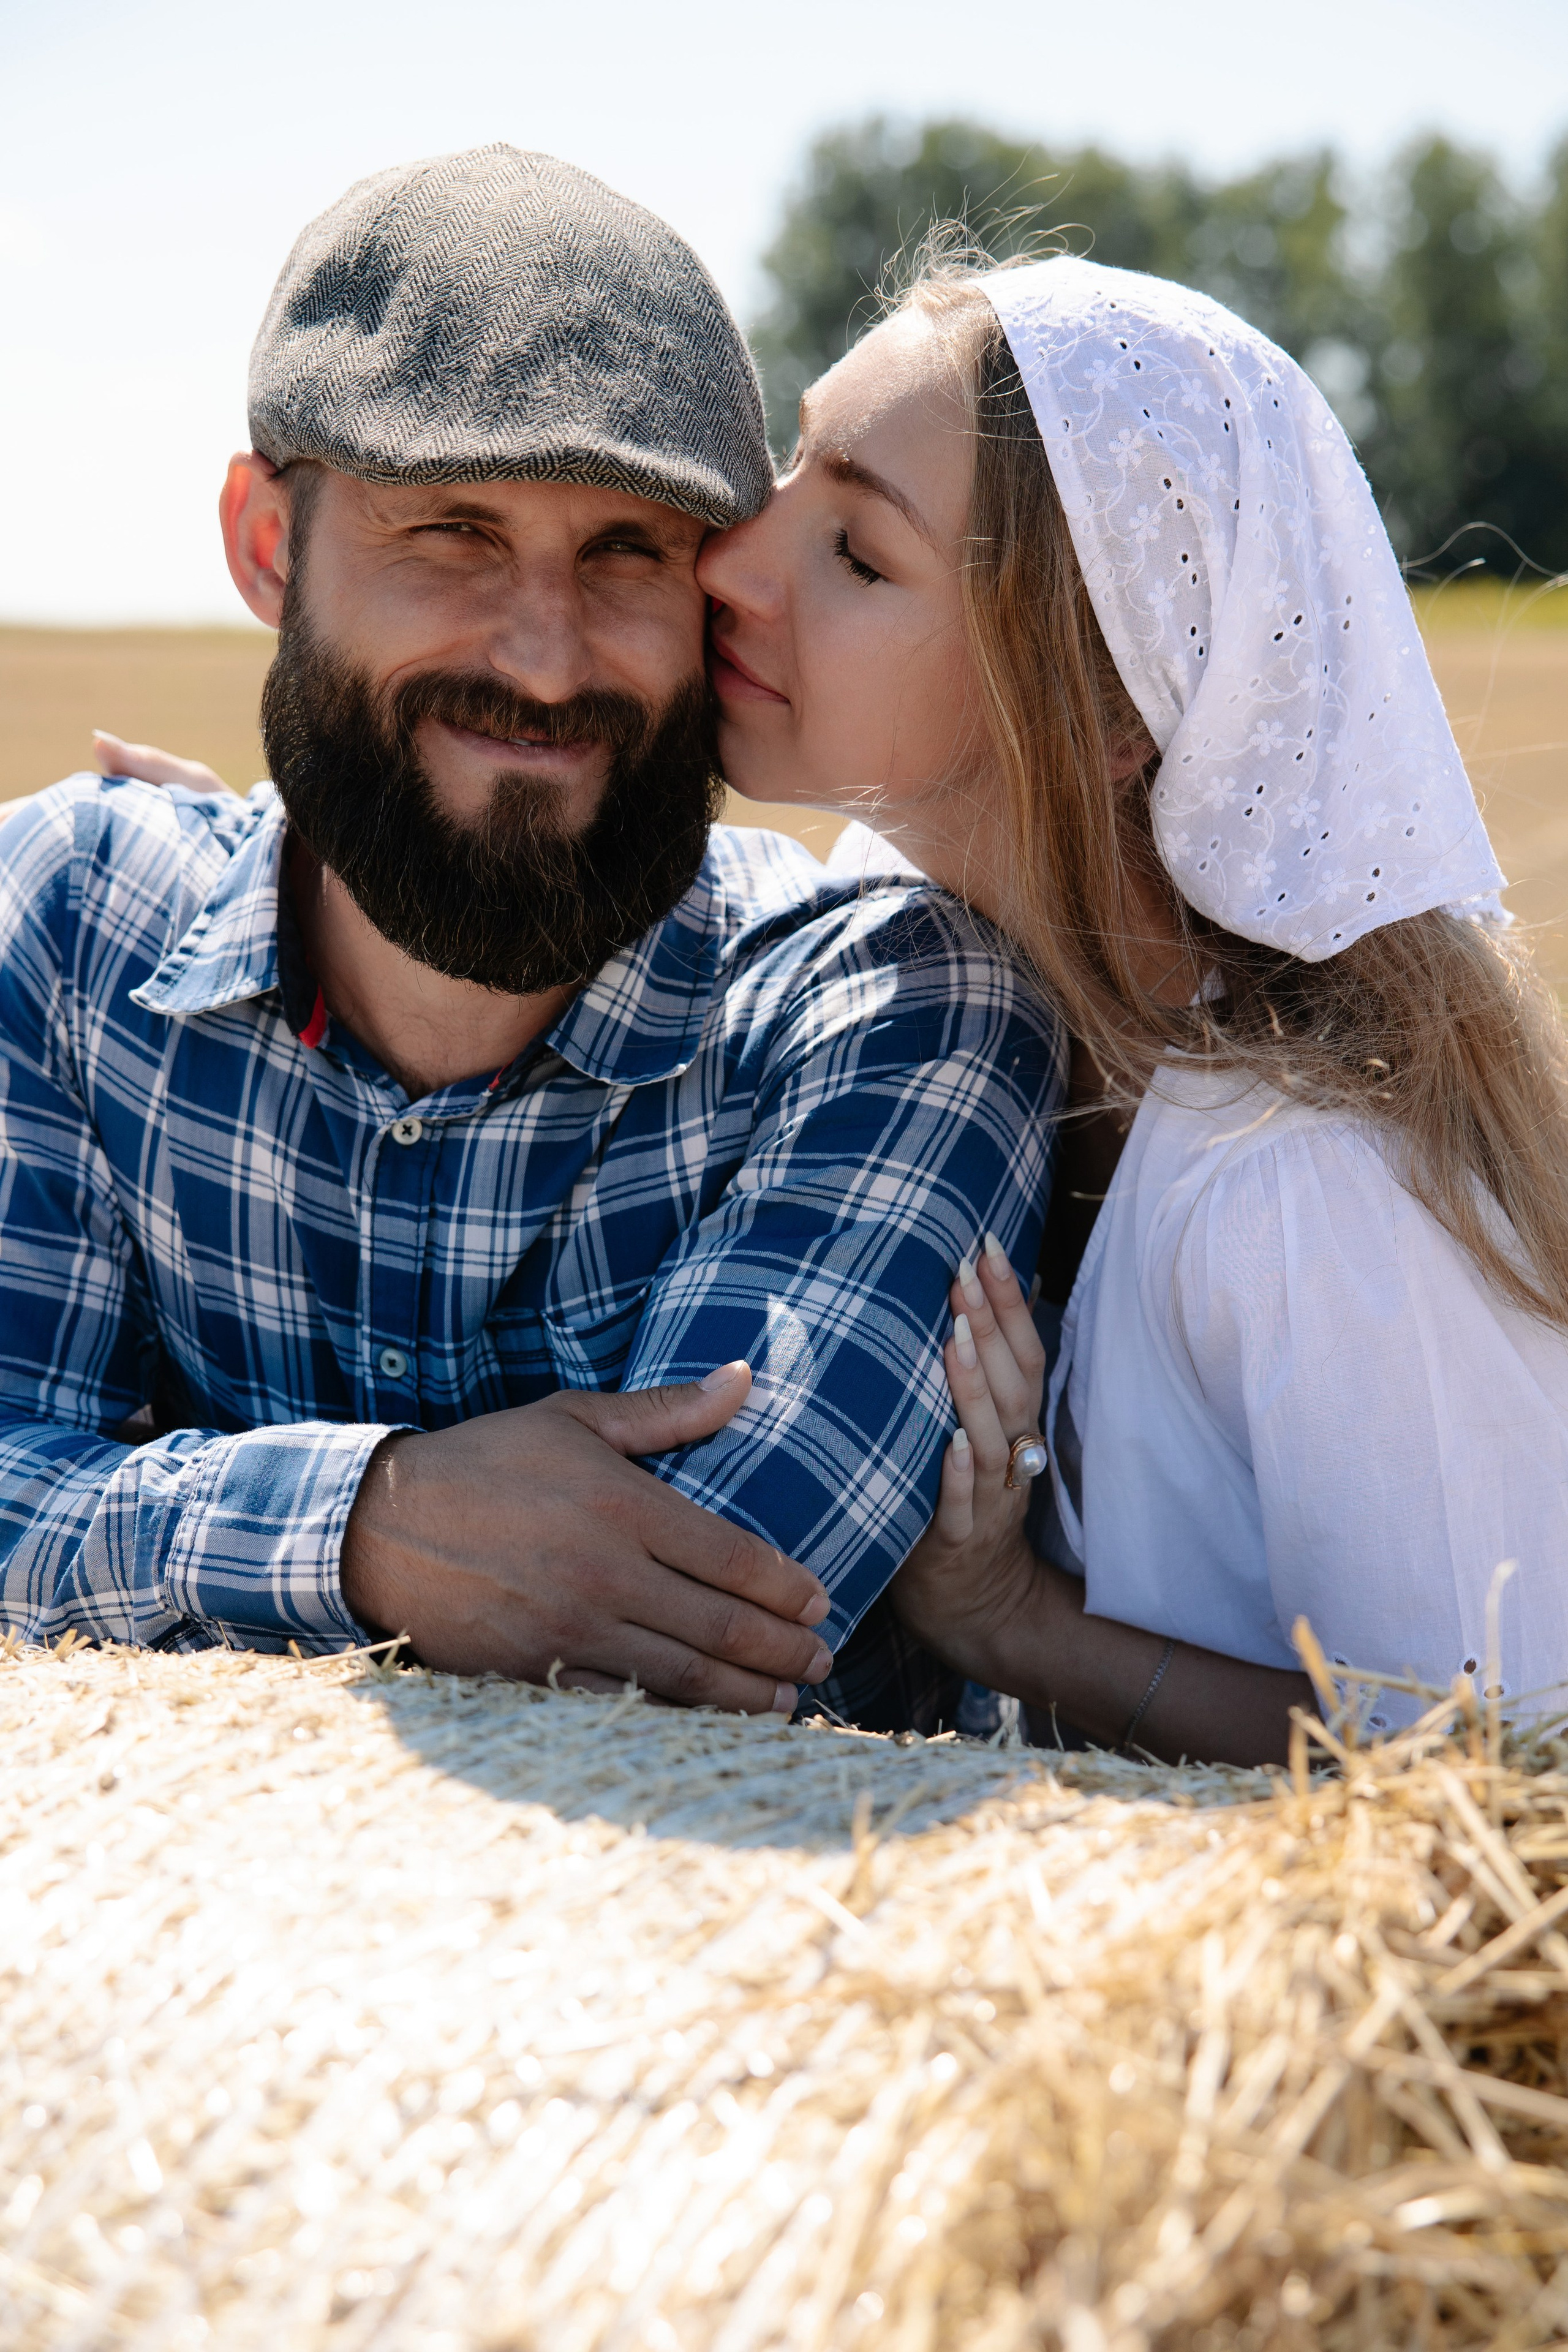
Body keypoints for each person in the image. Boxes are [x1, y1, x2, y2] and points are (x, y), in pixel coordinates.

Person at [0, 148, 1064, 1732]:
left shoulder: (888, 1011)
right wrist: (370, 1524)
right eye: (451, 530)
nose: (547, 659)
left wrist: (144, 1518)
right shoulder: (73, 921)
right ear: (268, 544)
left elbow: (715, 1616)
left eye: (627, 549)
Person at [695, 247, 1568, 1765]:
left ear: (1106, 709)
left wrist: (1013, 1622)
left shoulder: (1303, 1188)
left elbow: (1493, 1771)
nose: (727, 557)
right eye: (786, 468)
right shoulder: (922, 979)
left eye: (856, 550)